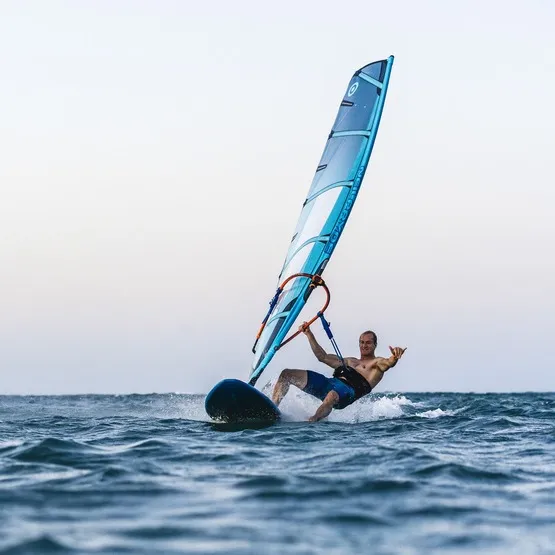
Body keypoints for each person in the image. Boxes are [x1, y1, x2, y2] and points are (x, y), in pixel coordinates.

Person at [271, 323, 406, 422]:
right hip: (329, 384)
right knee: (286, 374)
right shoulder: (349, 361)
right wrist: (309, 334)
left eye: (368, 343)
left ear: (375, 345)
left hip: (347, 393)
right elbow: (322, 357)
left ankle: (312, 421)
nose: (364, 345)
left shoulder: (376, 364)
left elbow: (388, 363)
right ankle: (272, 410)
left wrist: (395, 357)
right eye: (362, 342)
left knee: (331, 395)